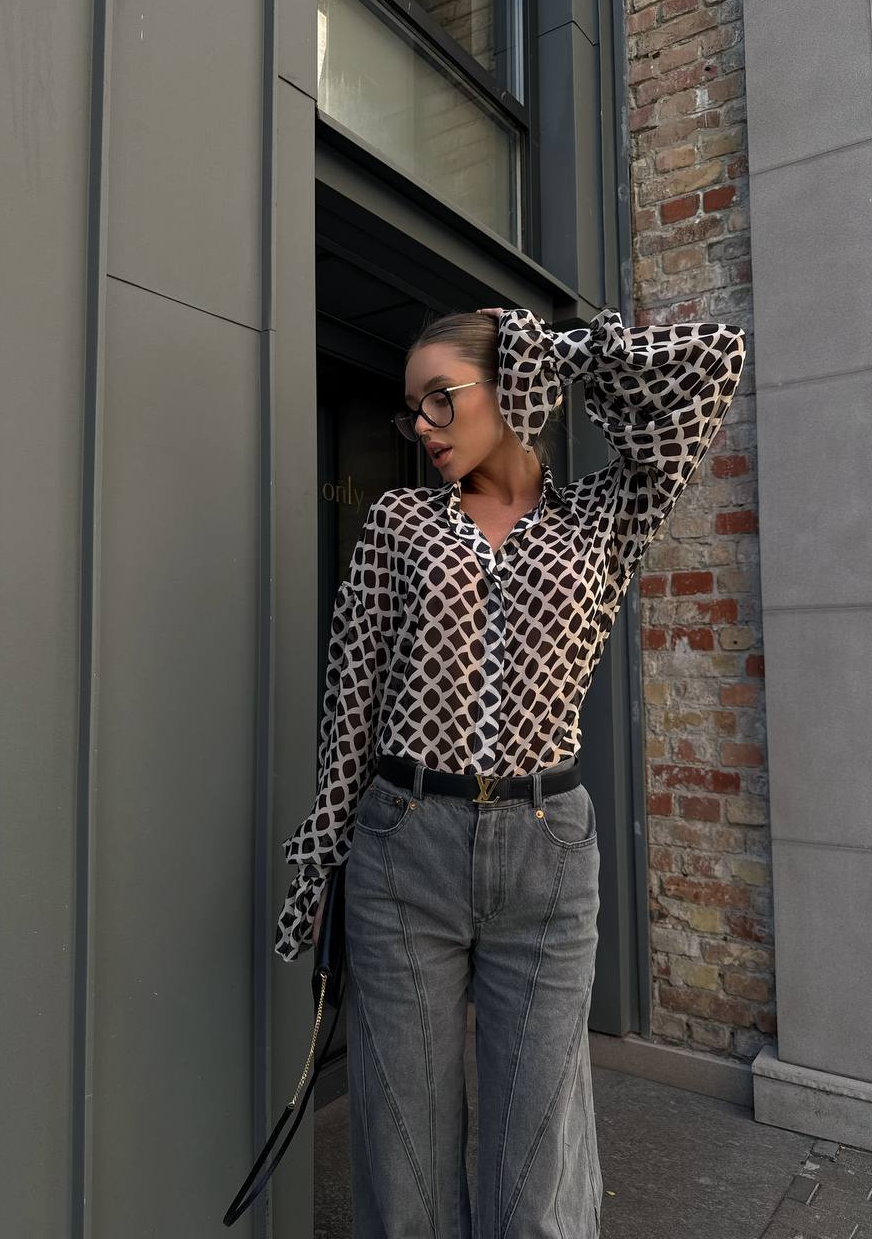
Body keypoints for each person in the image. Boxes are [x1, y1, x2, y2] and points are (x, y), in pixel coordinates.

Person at [274, 306, 747, 1236]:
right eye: (413, 411)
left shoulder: (607, 514)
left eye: (441, 400)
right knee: (404, 1159)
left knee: (537, 1164)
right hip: (403, 849)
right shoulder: (398, 523)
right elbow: (348, 714)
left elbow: (711, 363)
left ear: (510, 388)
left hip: (547, 858)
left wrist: (567, 347)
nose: (422, 428)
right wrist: (322, 862)